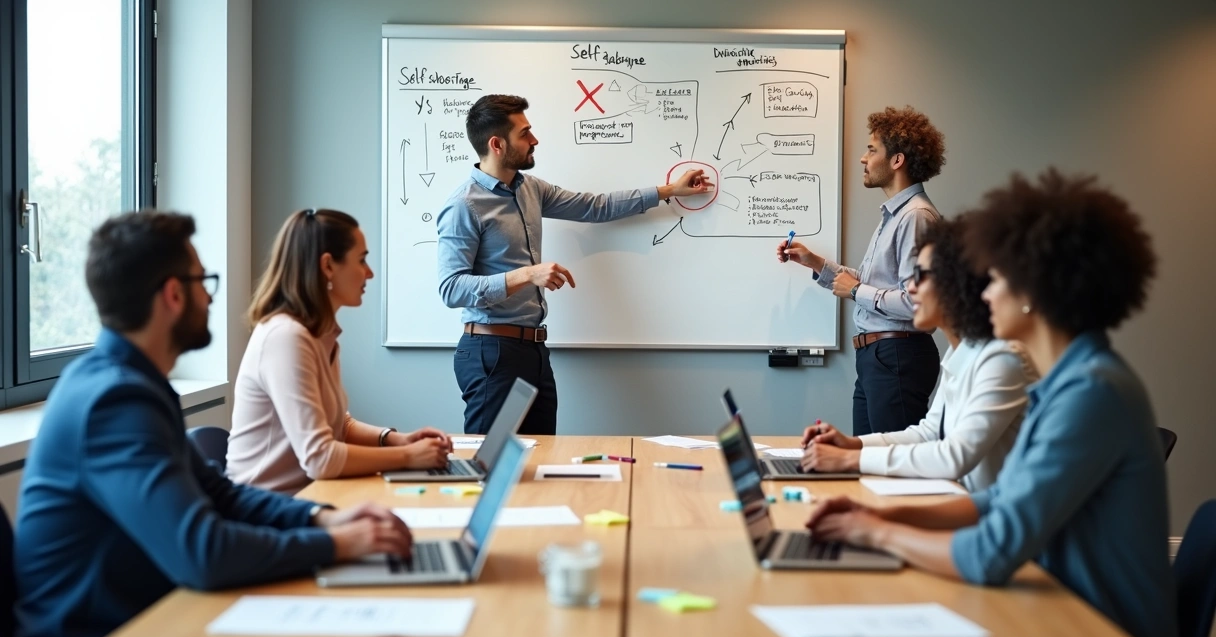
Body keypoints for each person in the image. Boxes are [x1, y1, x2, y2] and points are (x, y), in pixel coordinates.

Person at [804, 170, 1174, 637]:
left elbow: (990, 554)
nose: (985, 292)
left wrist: (873, 534)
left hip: (1090, 621)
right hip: (1058, 602)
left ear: (1033, 291)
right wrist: (879, 517)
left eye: (996, 279)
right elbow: (999, 500)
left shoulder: (1092, 393)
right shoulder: (1074, 381)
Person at [13, 211, 414, 637]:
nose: (209, 298)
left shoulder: (129, 382)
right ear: (173, 295)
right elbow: (203, 553)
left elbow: (219, 492)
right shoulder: (114, 402)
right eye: (202, 283)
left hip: (143, 611)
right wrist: (339, 545)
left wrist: (321, 519)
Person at [438, 94, 714, 436]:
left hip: (534, 351)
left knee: (537, 460)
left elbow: (594, 207)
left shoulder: (530, 189)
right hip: (491, 352)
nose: (534, 140)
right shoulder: (465, 205)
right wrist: (528, 274)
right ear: (497, 144)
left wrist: (669, 190)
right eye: (525, 133)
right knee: (489, 467)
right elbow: (451, 289)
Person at [799, 217, 1036, 492]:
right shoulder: (962, 352)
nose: (910, 288)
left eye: (920, 276)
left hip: (986, 523)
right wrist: (852, 444)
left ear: (957, 283)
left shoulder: (1002, 359)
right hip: (963, 508)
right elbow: (927, 434)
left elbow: (953, 457)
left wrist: (850, 458)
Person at [227, 208, 453, 494]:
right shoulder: (285, 338)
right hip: (264, 509)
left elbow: (338, 424)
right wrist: (408, 458)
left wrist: (398, 440)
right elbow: (320, 458)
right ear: (328, 266)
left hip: (307, 496)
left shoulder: (321, 334)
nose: (369, 272)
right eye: (361, 260)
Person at [780, 106, 946, 435]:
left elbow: (918, 302)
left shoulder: (915, 216)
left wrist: (856, 291)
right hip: (879, 356)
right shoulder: (895, 215)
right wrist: (815, 263)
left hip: (896, 354)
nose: (862, 158)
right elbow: (874, 282)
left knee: (893, 469)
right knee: (867, 463)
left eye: (871, 149)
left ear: (897, 160)